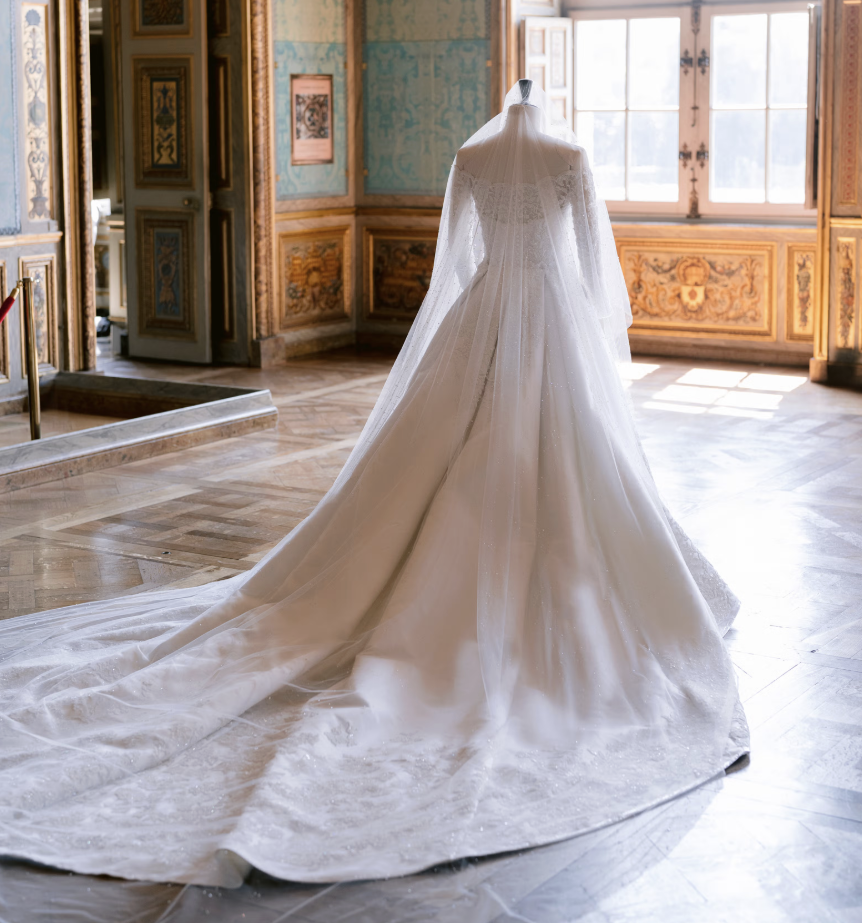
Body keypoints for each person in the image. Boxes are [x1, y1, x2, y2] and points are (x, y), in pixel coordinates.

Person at [0, 82, 748, 887]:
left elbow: (457, 263)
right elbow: (594, 273)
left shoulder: (473, 155)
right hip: (548, 314)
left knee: (444, 462)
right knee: (571, 458)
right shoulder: (568, 159)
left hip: (485, 310)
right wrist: (587, 330)